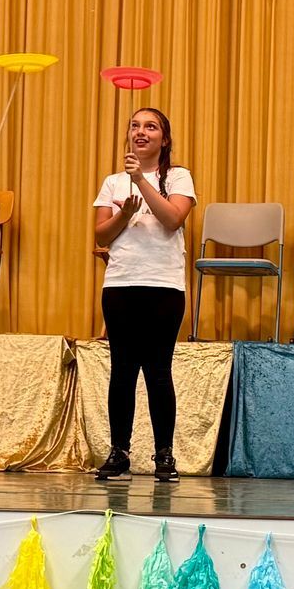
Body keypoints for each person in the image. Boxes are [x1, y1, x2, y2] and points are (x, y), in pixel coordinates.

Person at [91, 107, 195, 482]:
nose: (141, 131)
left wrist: (141, 182)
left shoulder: (178, 176)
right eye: (135, 125)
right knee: (122, 371)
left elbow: (173, 219)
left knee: (158, 371)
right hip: (121, 284)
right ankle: (119, 453)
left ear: (164, 139)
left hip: (163, 285)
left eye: (150, 127)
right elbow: (101, 235)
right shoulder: (113, 182)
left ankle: (164, 454)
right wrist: (123, 214)